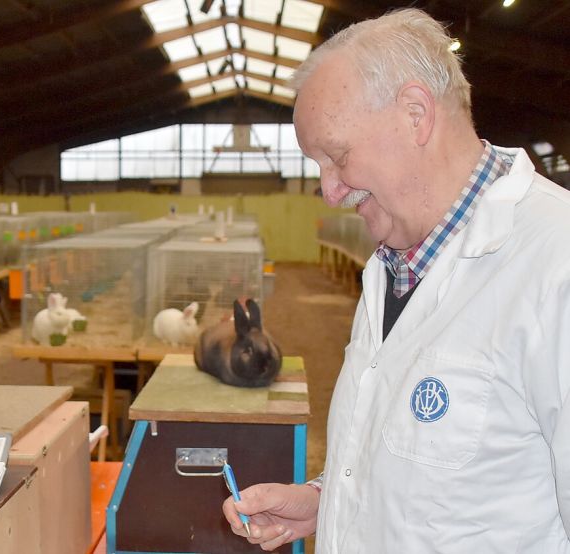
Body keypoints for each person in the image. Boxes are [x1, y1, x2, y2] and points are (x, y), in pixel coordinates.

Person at [221, 8, 570, 553]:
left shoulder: (555, 266)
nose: (329, 190)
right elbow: (438, 473)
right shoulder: (393, 268)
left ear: (415, 114)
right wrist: (325, 499)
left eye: (336, 157)